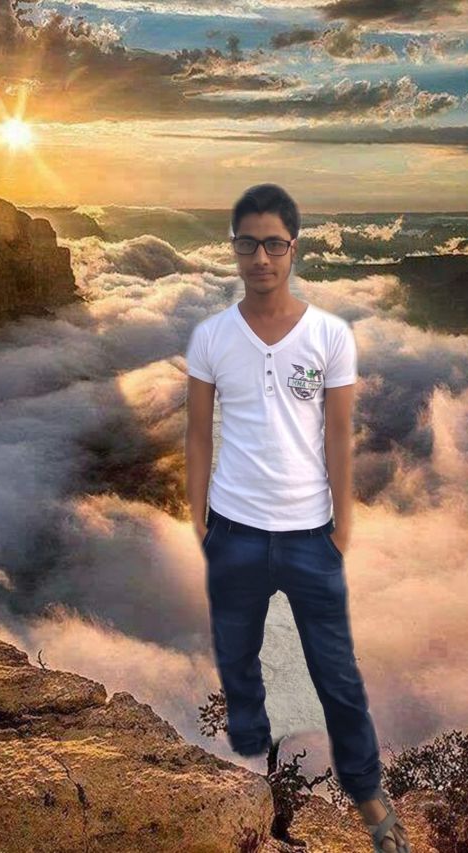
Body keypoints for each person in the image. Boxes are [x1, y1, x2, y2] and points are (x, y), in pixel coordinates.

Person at [185, 183, 411, 852]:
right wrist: (199, 521)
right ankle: (256, 772)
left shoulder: (329, 336)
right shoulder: (211, 337)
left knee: (336, 675)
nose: (260, 257)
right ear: (233, 249)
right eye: (247, 243)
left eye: (274, 244)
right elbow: (197, 435)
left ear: (293, 248)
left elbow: (338, 434)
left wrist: (342, 525)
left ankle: (371, 800)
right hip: (234, 533)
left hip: (311, 537)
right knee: (239, 659)